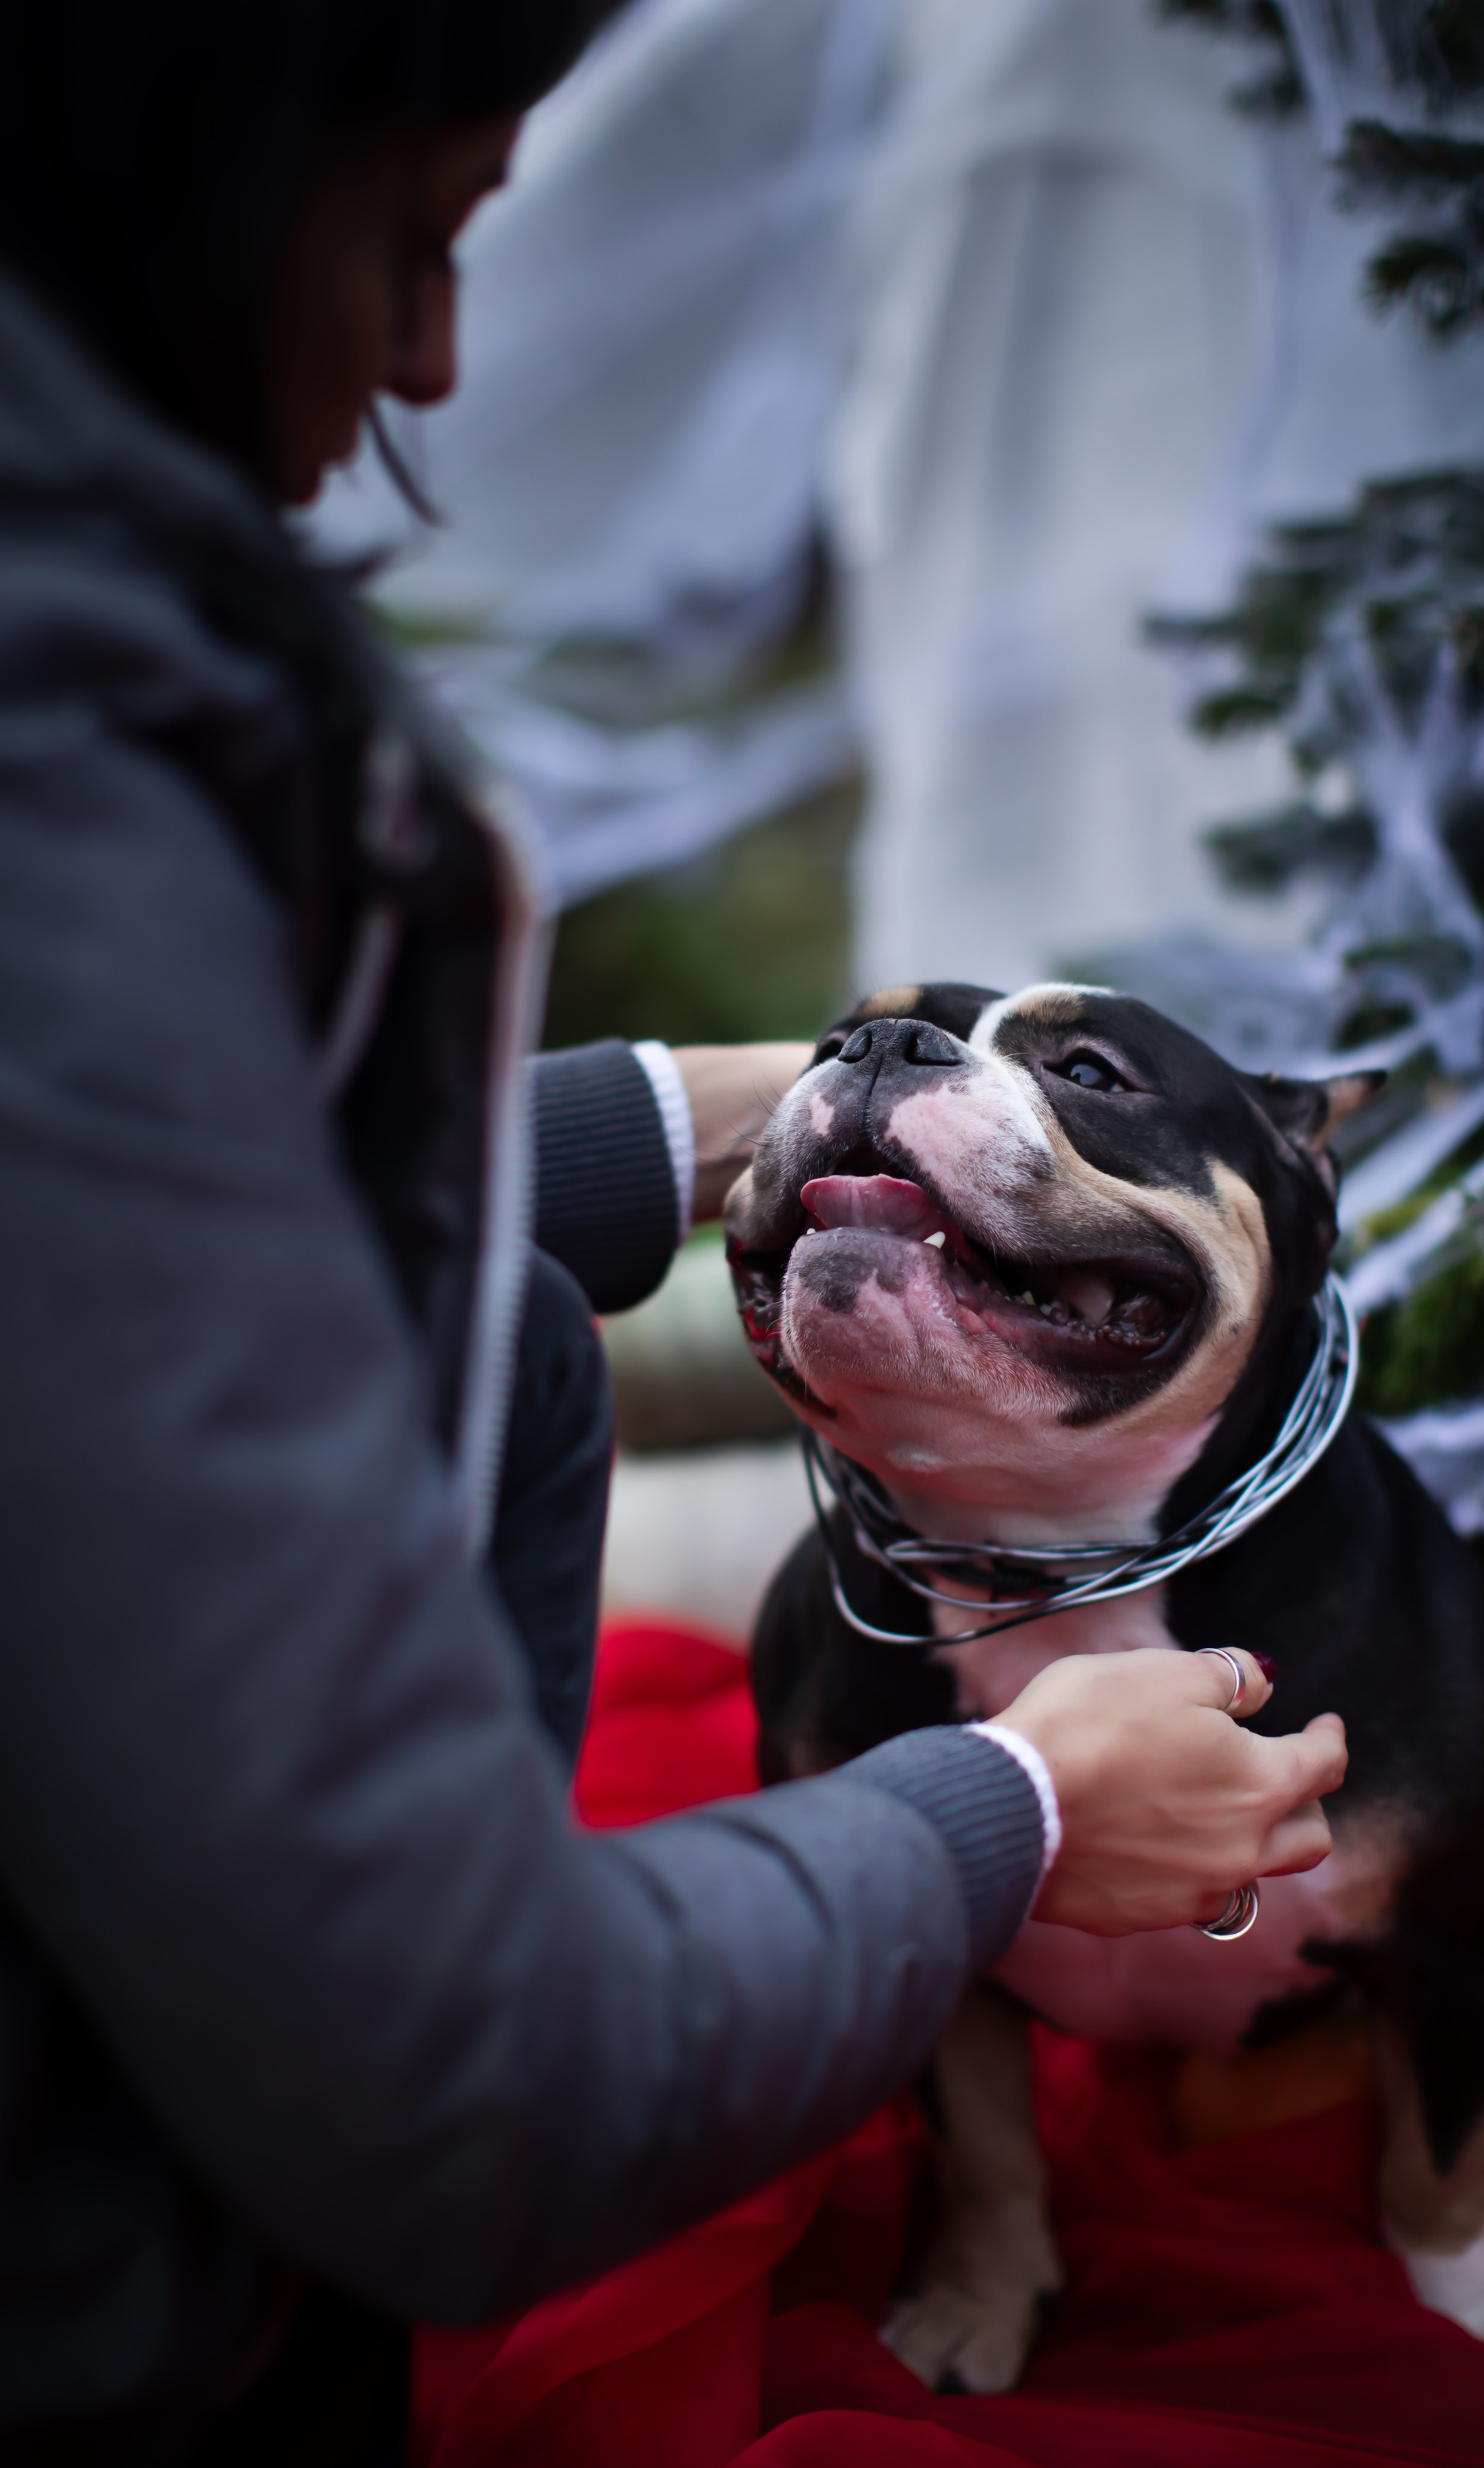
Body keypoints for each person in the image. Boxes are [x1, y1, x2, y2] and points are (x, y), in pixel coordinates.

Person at [0, 3, 1348, 2458]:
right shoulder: (76, 771)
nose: (433, 352)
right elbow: (452, 2079)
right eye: (423, 235)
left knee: (506, 1331)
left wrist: (705, 1121)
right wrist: (1022, 1804)